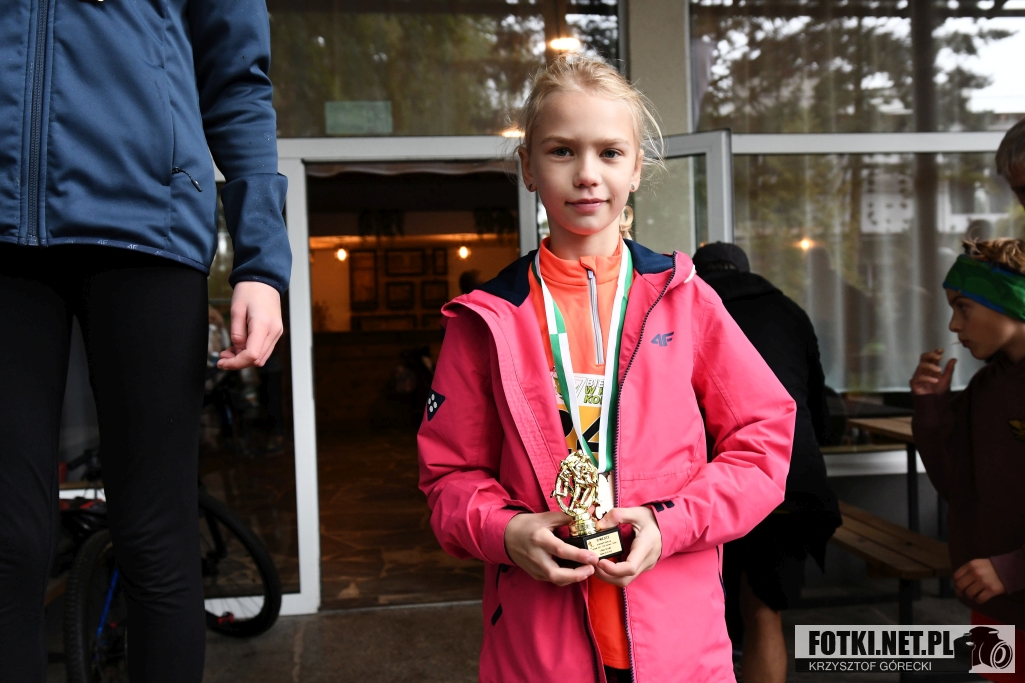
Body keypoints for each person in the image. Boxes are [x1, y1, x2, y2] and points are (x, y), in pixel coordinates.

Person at [417, 55, 796, 683]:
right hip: (538, 653)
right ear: (528, 167)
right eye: (562, 151)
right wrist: (507, 532)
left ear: (637, 166)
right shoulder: (486, 319)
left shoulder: (684, 298)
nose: (587, 174)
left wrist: (669, 524)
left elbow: (763, 444)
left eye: (610, 152)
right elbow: (448, 478)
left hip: (679, 646)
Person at [0, 2, 290, 681]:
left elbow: (237, 81)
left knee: (155, 535)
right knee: (6, 540)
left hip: (147, 229)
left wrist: (261, 263)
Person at [693, 242, 842, 683]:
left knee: (698, 609)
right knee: (763, 610)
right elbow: (819, 411)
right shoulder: (789, 311)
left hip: (710, 482)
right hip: (789, 479)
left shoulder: (688, 309)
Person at [910, 238, 1025, 682]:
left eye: (964, 307)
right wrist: (931, 409)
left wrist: (1012, 568)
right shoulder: (987, 387)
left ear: (1009, 301)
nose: (954, 325)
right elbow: (957, 487)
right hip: (991, 598)